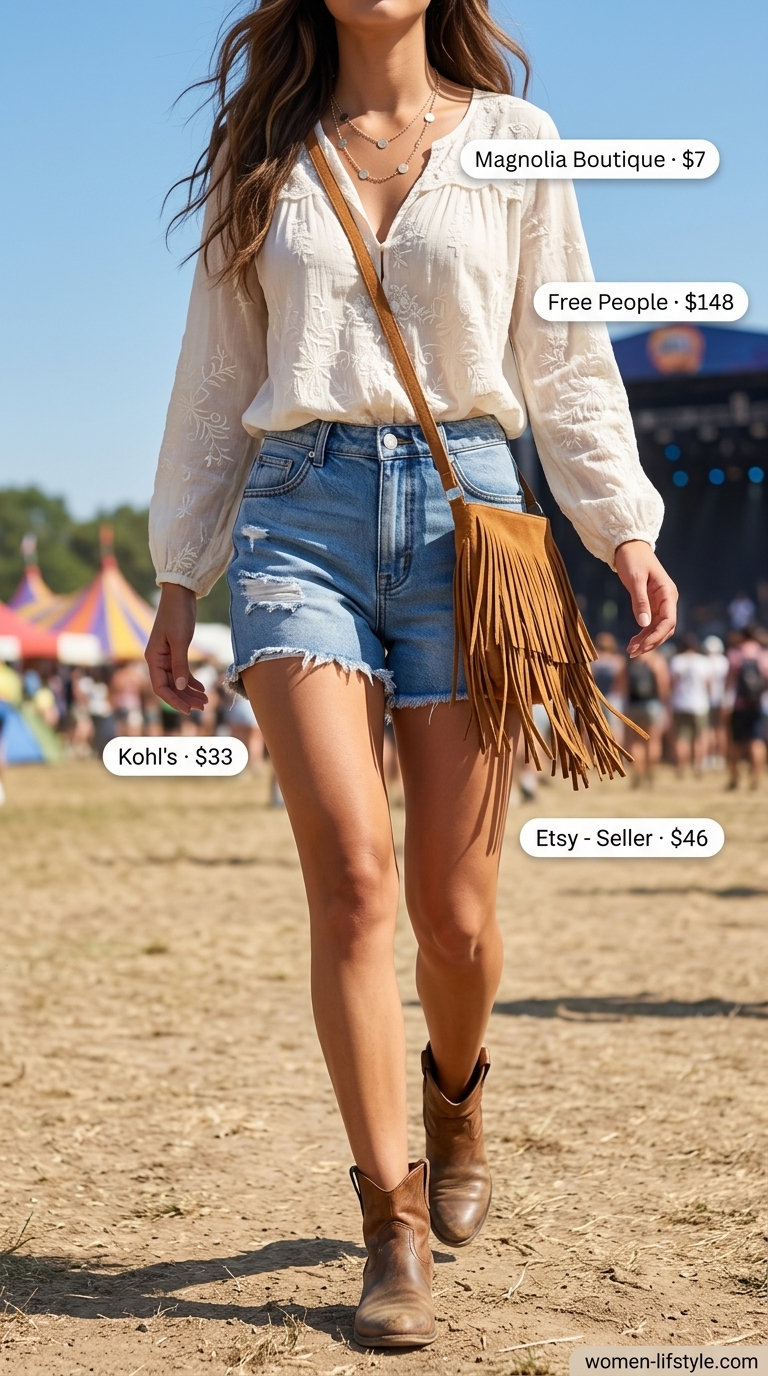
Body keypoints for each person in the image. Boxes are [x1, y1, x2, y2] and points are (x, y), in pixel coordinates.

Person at [145, 0, 676, 1348]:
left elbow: (562, 347)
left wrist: (621, 521)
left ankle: (455, 1095)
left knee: (455, 910)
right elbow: (218, 375)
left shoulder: (516, 139)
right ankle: (389, 1223)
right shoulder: (261, 150)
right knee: (355, 876)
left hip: (472, 528)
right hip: (293, 522)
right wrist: (175, 572)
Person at [724, 625, 768, 790]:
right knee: (757, 741)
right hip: (758, 704)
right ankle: (756, 777)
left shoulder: (736, 654)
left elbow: (729, 682)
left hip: (739, 705)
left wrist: (725, 703)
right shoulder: (763, 654)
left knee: (736, 742)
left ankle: (735, 778)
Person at [624, 648, 670, 786]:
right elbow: (663, 685)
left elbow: (624, 686)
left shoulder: (631, 660)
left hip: (633, 705)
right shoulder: (656, 661)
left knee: (634, 742)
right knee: (653, 741)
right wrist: (666, 706)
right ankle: (650, 776)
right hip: (652, 705)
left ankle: (636, 775)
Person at [668, 633, 712, 776]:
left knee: (681, 738)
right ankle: (698, 765)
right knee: (699, 737)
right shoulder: (703, 661)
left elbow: (672, 684)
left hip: (680, 703)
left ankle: (681, 766)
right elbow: (708, 684)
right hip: (700, 704)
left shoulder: (676, 661)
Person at [701, 634, 729, 768]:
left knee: (708, 729)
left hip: (706, 701)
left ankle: (708, 757)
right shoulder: (724, 662)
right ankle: (720, 757)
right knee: (721, 729)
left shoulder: (703, 662)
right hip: (723, 699)